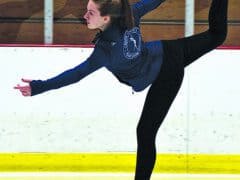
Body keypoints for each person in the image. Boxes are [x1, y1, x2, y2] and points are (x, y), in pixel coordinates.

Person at [14, 0, 228, 179]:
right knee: (217, 35)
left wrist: (38, 87)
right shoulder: (105, 48)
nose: (85, 16)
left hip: (166, 72)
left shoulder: (127, 21)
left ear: (106, 18)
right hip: (166, 51)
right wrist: (38, 87)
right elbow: (75, 75)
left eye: (90, 12)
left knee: (144, 132)